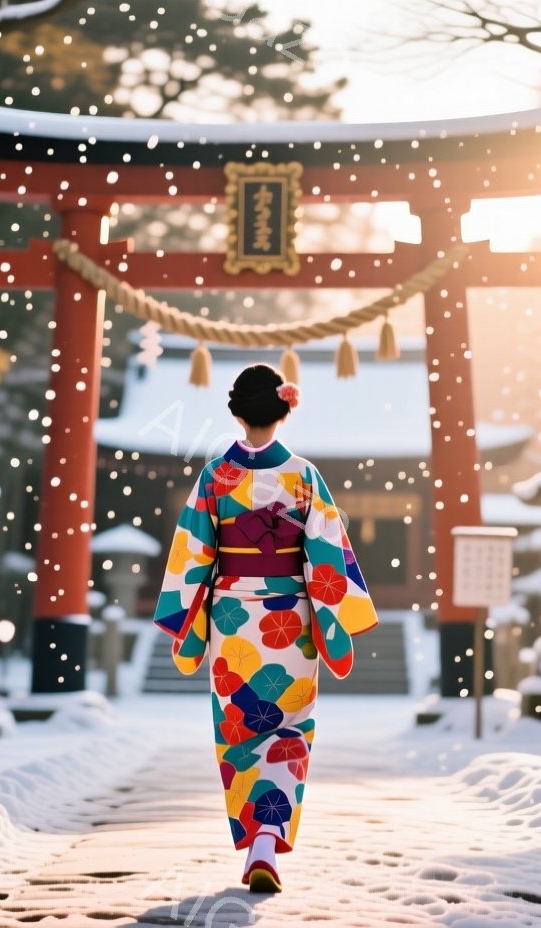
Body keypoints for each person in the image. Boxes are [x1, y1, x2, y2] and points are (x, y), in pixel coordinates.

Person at [153, 362, 380, 894]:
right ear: (283, 410)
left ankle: (253, 833)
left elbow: (192, 552)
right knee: (289, 728)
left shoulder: (215, 476)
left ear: (236, 412)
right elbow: (327, 552)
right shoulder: (302, 475)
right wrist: (336, 615)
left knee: (239, 731)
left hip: (232, 620)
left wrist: (186, 616)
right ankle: (268, 839)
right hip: (291, 618)